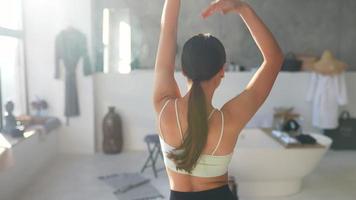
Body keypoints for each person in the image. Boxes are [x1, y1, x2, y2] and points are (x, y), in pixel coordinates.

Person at [152, 0, 284, 199]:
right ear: (222, 71)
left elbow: (167, 31)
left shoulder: (164, 107)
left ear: (184, 70)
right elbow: (274, 59)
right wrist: (242, 8)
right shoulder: (228, 121)